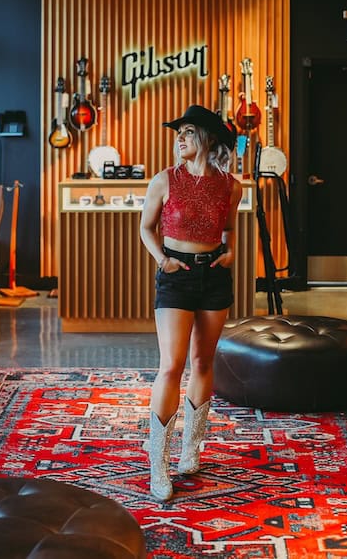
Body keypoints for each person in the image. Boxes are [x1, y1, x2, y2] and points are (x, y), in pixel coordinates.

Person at [139, 104, 241, 501]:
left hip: (214, 277)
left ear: (208, 138)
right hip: (176, 276)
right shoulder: (164, 181)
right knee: (171, 365)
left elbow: (229, 228)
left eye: (188, 131)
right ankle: (158, 463)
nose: (179, 138)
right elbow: (146, 227)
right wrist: (163, 259)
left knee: (203, 362)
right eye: (177, 132)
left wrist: (230, 250)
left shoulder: (232, 186)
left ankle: (190, 448)